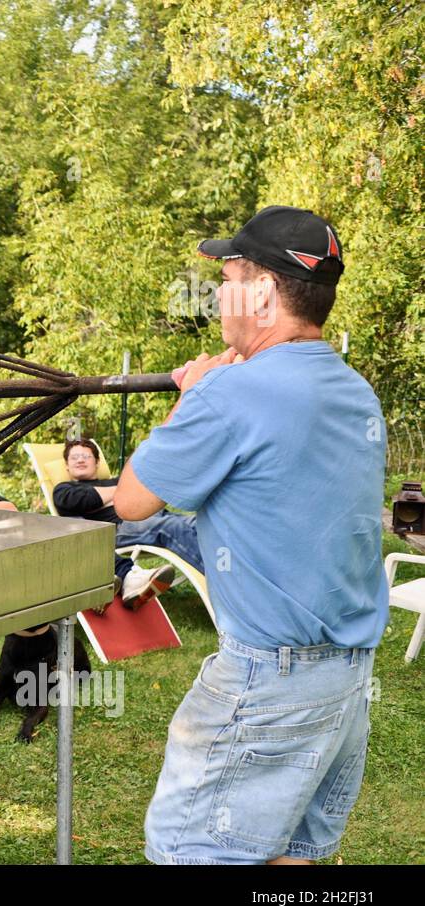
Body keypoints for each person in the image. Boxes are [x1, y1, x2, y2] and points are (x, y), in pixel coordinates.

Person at [116, 206, 387, 865]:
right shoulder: (356, 393)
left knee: (186, 848)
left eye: (227, 278)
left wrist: (194, 391)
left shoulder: (229, 393)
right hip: (348, 679)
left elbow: (131, 498)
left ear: (262, 292)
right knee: (292, 854)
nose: (218, 297)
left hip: (269, 681)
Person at [54, 437, 197, 609]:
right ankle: (221, 578)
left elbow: (146, 495)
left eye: (86, 456)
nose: (80, 460)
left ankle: (230, 567)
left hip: (154, 516)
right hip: (121, 527)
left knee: (198, 523)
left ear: (97, 462)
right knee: (172, 528)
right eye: (74, 457)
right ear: (67, 466)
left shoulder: (115, 481)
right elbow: (81, 501)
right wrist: (120, 492)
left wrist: (109, 495)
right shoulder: (64, 488)